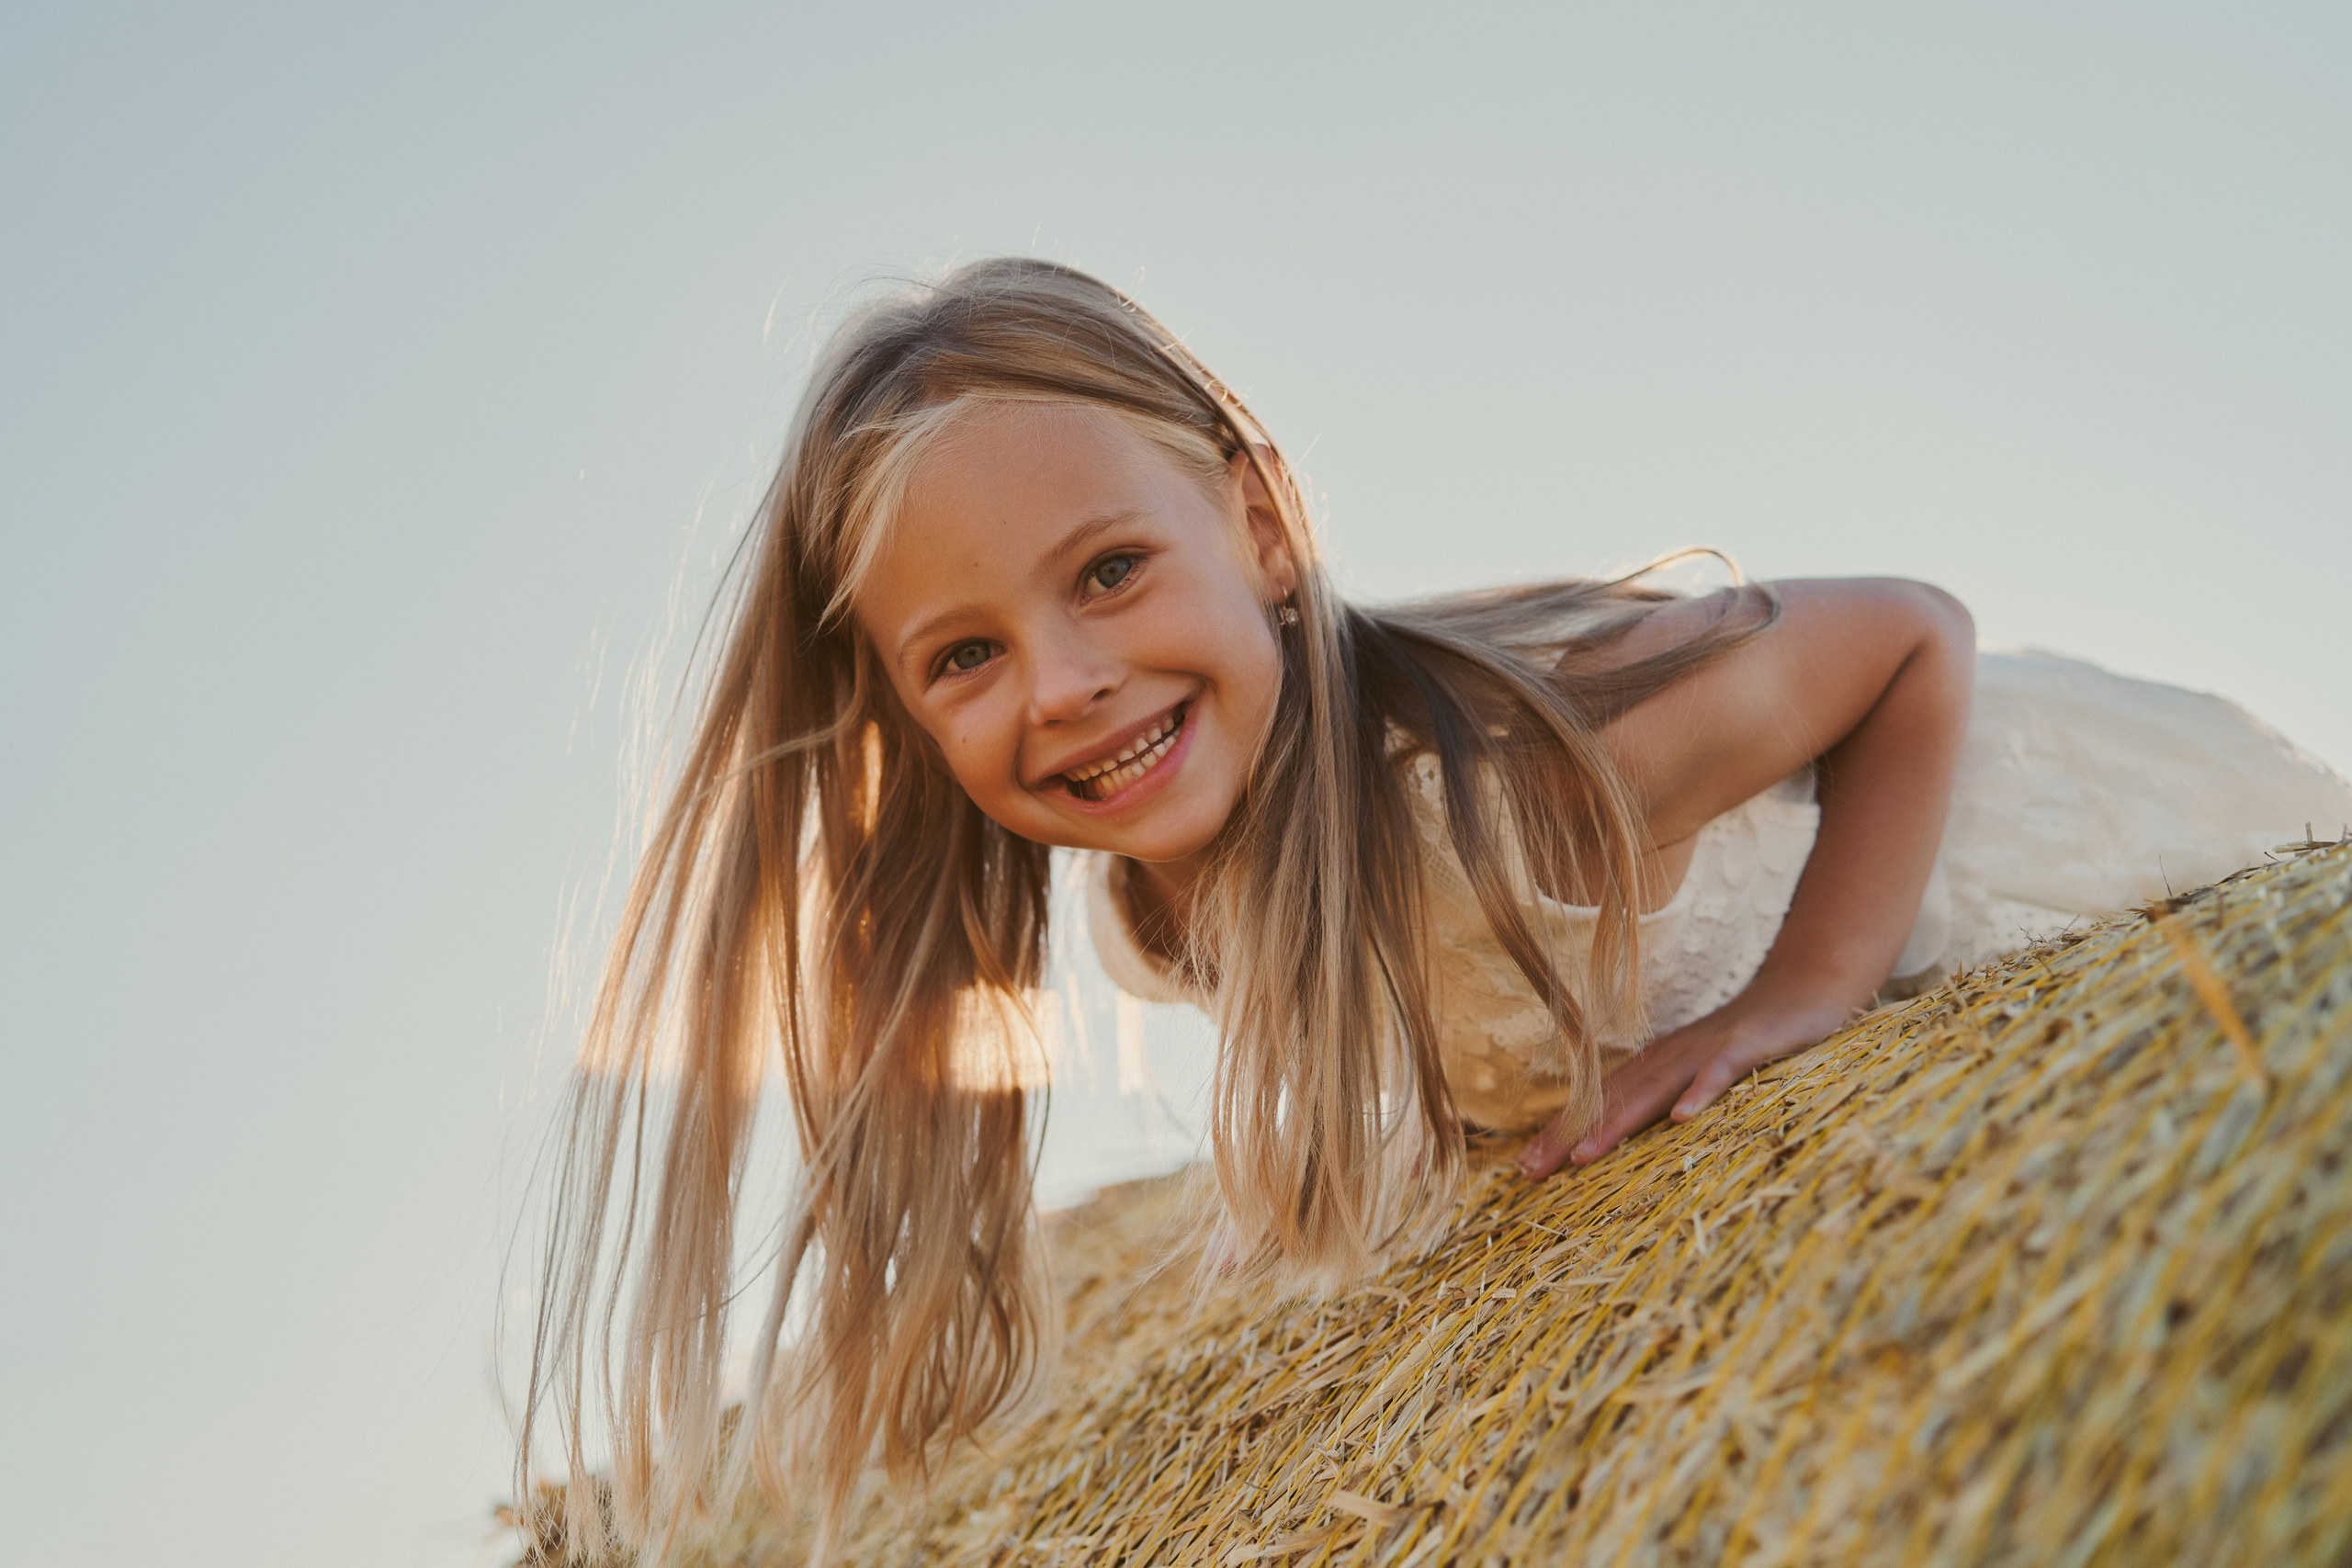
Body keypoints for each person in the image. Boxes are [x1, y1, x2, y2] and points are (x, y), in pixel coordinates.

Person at [520, 257, 2352, 1557]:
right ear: (907, 722)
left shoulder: (1501, 780)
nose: (1063, 683)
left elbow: (1908, 638)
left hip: (2040, 839)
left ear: (1257, 524)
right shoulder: (1155, 912)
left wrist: (1804, 994)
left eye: (1110, 570)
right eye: (966, 655)